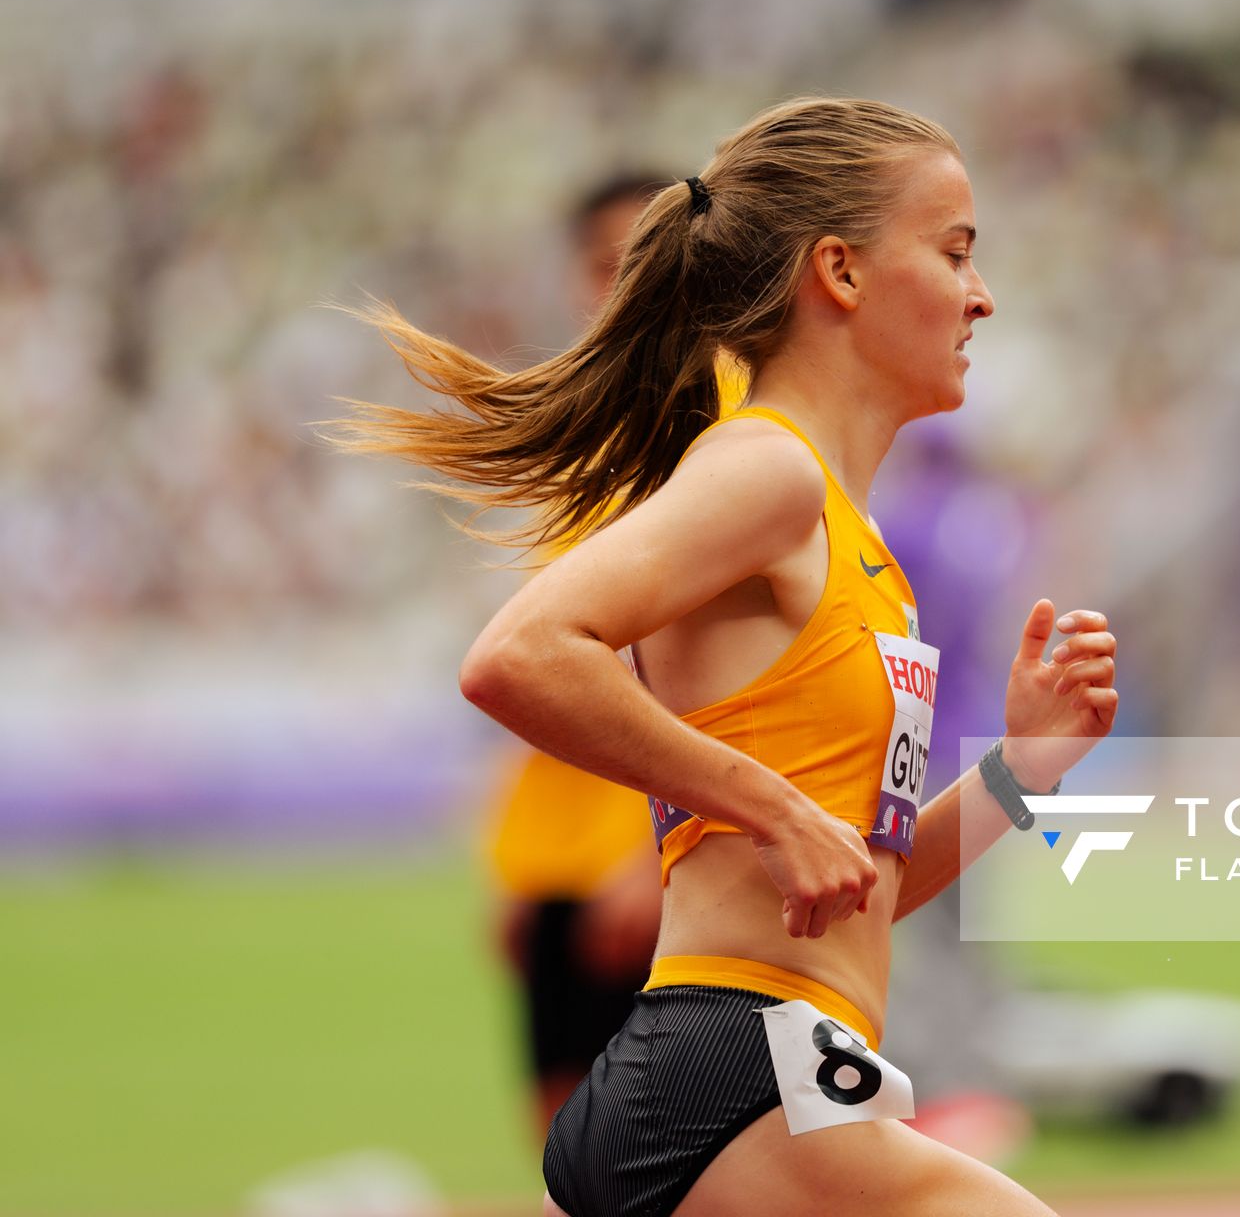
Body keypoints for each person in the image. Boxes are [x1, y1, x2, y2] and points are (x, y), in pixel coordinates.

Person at [333, 97, 1118, 1217]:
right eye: (954, 253)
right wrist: (772, 806)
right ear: (839, 271)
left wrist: (1024, 769)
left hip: (741, 1078)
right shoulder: (767, 472)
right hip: (734, 1074)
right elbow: (517, 654)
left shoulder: (854, 540)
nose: (982, 293)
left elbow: (860, 888)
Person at [486, 170, 757, 1136]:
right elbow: (548, 660)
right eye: (607, 265)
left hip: (650, 854)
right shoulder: (596, 431)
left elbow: (725, 668)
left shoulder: (732, 434)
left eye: (649, 264)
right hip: (559, 852)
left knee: (651, 1156)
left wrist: (651, 864)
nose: (624, 288)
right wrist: (516, 865)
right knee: (565, 1133)